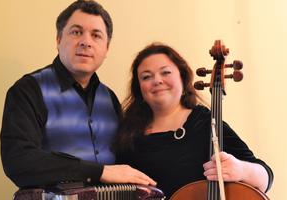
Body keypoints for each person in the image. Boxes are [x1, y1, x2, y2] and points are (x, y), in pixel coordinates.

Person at [0, 0, 156, 191]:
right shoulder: (28, 90)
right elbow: (19, 160)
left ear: (106, 48)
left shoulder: (110, 98)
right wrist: (99, 172)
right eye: (76, 32)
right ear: (58, 40)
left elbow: (124, 161)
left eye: (96, 35)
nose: (86, 42)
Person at [115, 43, 274, 198]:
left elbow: (266, 176)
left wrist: (241, 169)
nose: (157, 80)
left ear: (182, 79)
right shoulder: (129, 134)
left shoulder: (204, 122)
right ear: (140, 88)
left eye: (165, 72)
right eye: (146, 76)